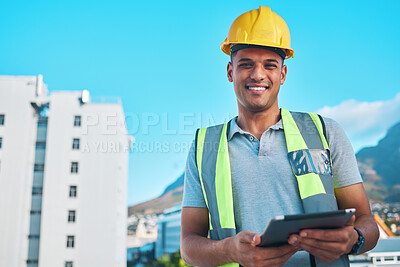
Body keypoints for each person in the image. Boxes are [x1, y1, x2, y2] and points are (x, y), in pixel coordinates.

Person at [180, 6, 379, 267]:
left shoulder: (326, 132)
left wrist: (354, 238)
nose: (258, 74)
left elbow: (368, 223)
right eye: (246, 64)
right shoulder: (203, 146)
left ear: (282, 74)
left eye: (269, 65)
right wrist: (231, 251)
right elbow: (188, 246)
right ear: (230, 72)